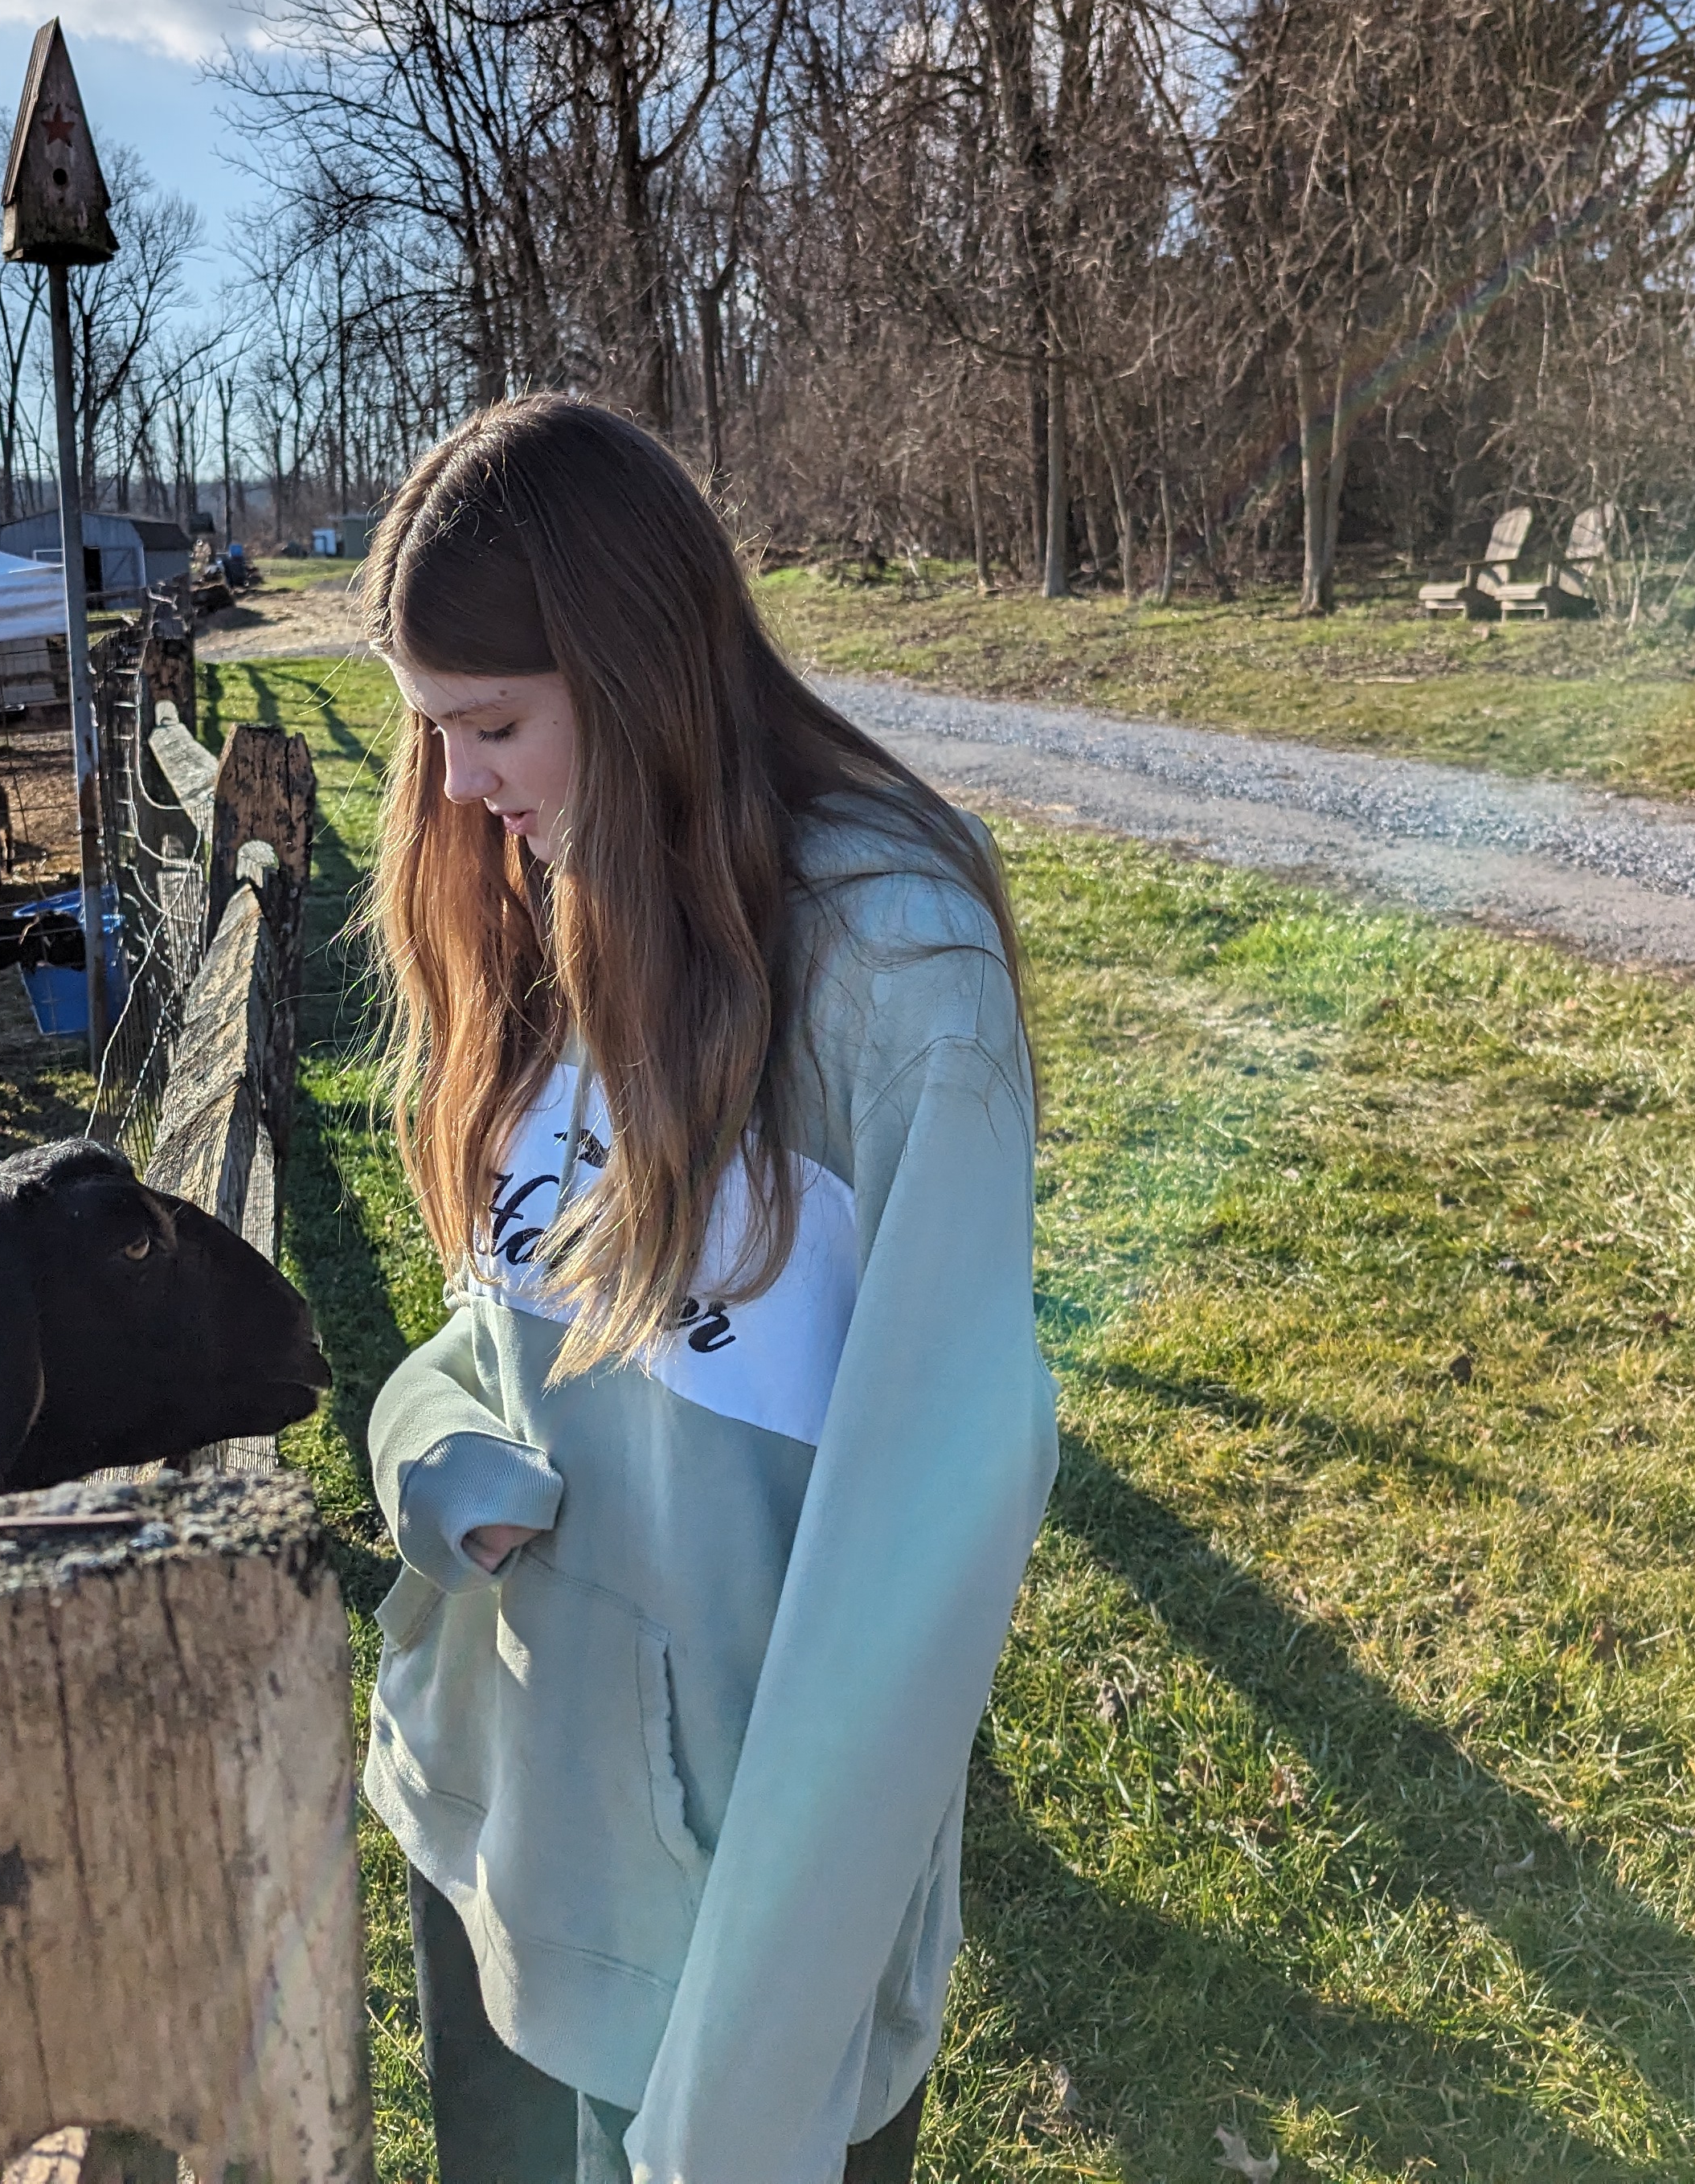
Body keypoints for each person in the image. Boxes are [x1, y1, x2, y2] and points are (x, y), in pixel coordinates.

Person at [358, 395, 1058, 2184]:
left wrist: (740, 2109)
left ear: (640, 665)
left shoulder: (890, 975)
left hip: (721, 1992)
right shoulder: (536, 892)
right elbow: (498, 1324)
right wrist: (427, 1441)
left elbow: (916, 1571)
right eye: (429, 728)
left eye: (491, 723)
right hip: (491, 1843)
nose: (457, 788)